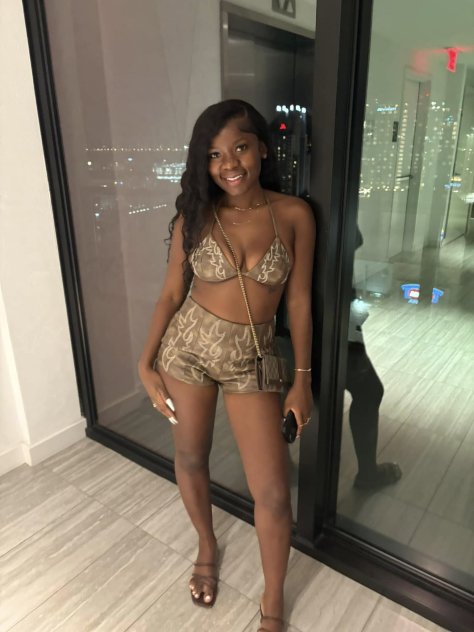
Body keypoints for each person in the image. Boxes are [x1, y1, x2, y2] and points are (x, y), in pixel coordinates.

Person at [138, 99, 315, 631]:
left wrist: (301, 381)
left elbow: (299, 301)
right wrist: (146, 363)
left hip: (252, 361)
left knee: (273, 492)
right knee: (191, 457)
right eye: (214, 154)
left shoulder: (294, 214)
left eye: (240, 147)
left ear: (262, 148)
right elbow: (171, 295)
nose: (229, 163)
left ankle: (273, 599)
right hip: (186, 351)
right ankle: (206, 548)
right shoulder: (195, 216)